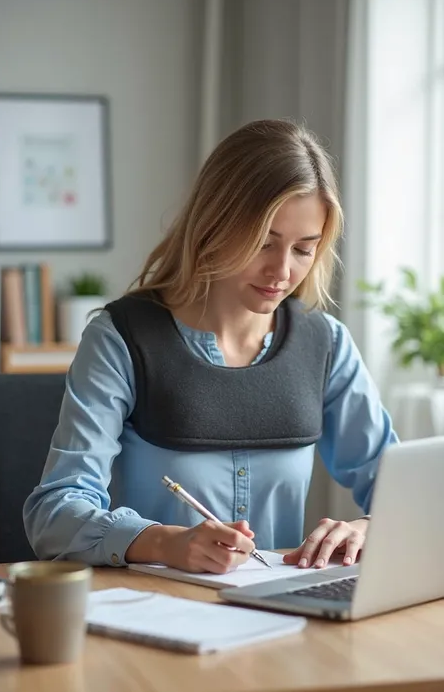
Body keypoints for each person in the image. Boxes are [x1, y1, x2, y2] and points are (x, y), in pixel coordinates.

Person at [23, 119, 398, 575]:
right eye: (264, 243)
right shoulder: (120, 338)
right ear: (214, 225)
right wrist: (164, 542)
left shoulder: (327, 344)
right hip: (153, 608)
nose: (282, 270)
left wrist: (370, 527)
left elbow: (404, 495)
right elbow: (55, 514)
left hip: (284, 614)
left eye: (304, 249)